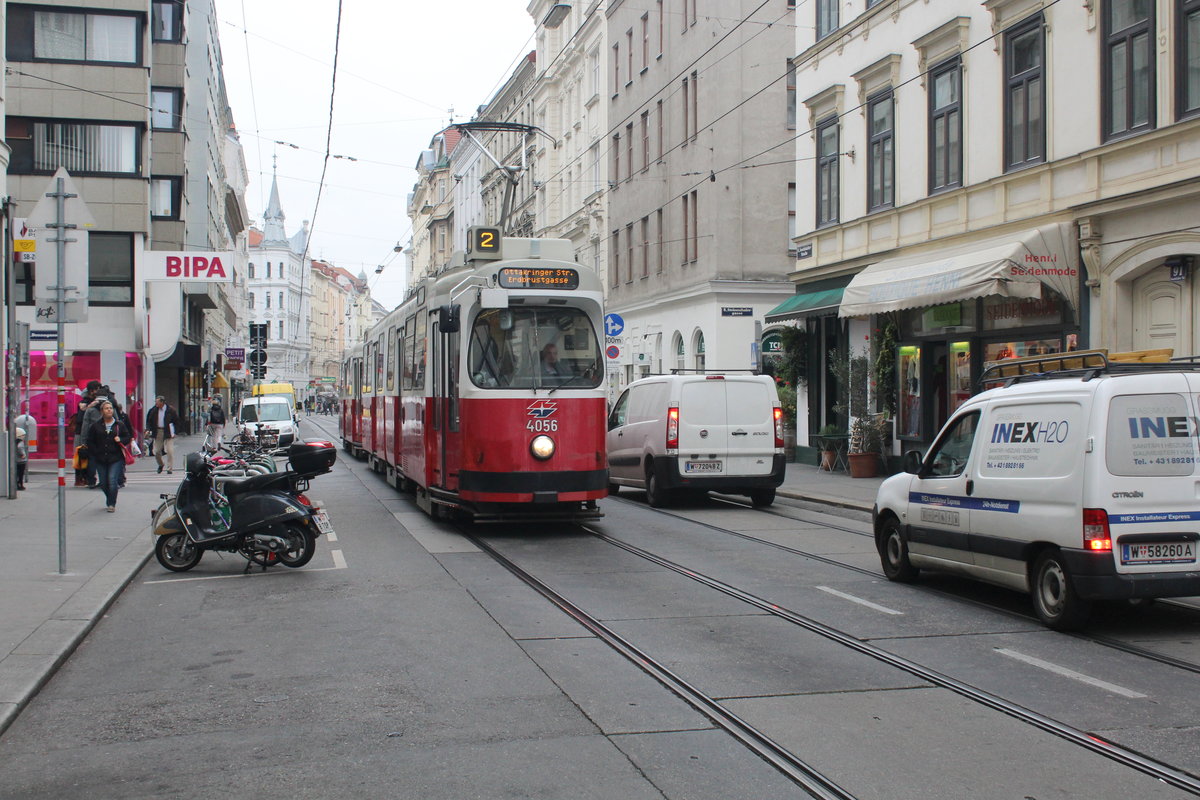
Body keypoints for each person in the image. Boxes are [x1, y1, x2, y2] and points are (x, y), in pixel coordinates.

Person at [84, 400, 132, 512]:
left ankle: (111, 503)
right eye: (106, 408)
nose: (109, 410)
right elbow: (90, 441)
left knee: (112, 480)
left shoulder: (119, 425)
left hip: (116, 458)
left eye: (110, 408)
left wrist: (121, 439)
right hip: (100, 458)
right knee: (103, 483)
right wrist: (95, 452)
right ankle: (109, 498)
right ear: (102, 411)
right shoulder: (96, 426)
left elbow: (127, 437)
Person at [145, 395, 179, 475]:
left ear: (162, 402)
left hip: (168, 431)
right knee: (156, 451)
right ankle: (161, 464)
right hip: (158, 431)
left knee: (170, 451)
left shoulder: (170, 410)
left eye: (157, 402)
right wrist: (148, 429)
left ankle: (169, 468)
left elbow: (177, 421)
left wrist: (175, 432)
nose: (156, 404)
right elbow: (149, 421)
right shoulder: (153, 410)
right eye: (155, 402)